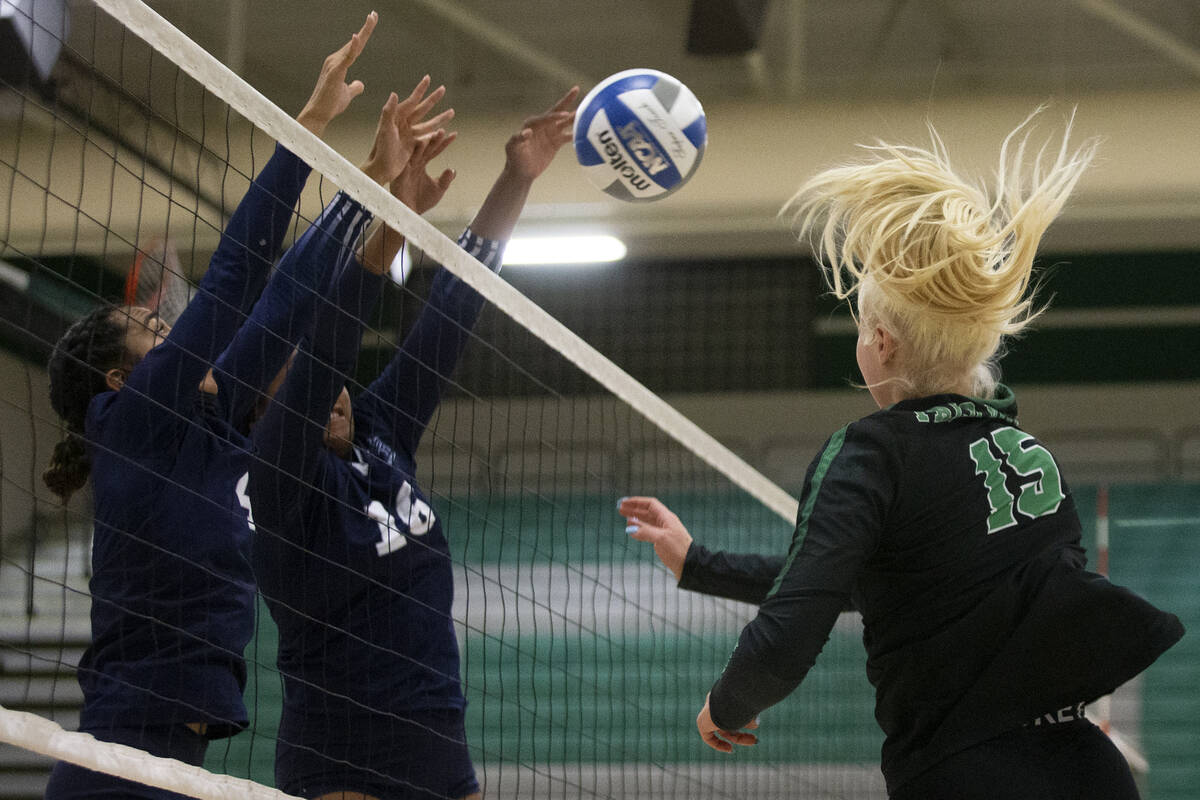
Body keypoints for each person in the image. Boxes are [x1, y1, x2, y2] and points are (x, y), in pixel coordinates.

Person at [619, 112, 1185, 800]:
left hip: (966, 775)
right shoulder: (1025, 452)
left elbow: (795, 625)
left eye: (861, 328)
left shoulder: (872, 451)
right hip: (1088, 772)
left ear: (882, 342)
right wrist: (699, 564)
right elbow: (891, 579)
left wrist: (728, 704)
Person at [39, 15, 450, 798]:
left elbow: (287, 300)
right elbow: (235, 275)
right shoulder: (134, 423)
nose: (175, 334)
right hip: (123, 756)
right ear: (122, 382)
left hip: (166, 756)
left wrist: (364, 182)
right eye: (157, 332)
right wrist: (310, 125)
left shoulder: (210, 417)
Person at [248, 86, 579, 800]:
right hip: (340, 748)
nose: (331, 388)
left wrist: (515, 178)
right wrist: (388, 225)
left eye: (335, 379)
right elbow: (327, 346)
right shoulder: (278, 475)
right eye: (304, 376)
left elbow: (453, 310)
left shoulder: (379, 433)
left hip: (435, 731)